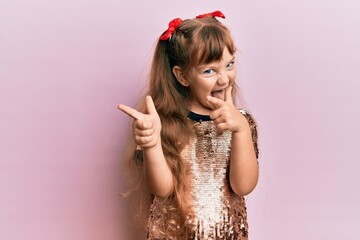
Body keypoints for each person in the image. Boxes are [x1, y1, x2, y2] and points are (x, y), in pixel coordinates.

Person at [118, 10, 259, 240]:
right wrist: (152, 144)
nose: (224, 79)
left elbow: (243, 186)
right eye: (209, 70)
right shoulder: (165, 123)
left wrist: (241, 129)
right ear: (183, 77)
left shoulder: (242, 123)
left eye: (229, 64)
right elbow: (162, 190)